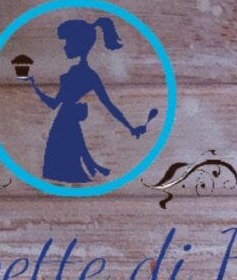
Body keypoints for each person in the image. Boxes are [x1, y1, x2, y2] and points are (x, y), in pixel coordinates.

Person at [25, 15, 156, 184]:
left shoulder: (88, 76)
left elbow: (108, 105)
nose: (64, 47)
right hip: (62, 123)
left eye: (67, 42)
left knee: (65, 170)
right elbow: (54, 104)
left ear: (79, 45)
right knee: (65, 169)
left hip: (65, 123)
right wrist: (34, 86)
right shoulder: (74, 73)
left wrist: (130, 127)